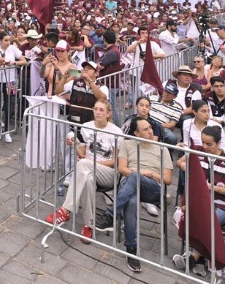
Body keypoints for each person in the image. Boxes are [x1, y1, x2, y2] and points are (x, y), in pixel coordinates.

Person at [95, 116, 173, 273]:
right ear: (137, 133)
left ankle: (111, 215)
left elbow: (168, 179)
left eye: (150, 128)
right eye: (146, 129)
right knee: (131, 202)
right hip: (130, 184)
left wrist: (149, 174)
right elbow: (122, 168)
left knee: (135, 177)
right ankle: (132, 250)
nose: (151, 131)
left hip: (152, 187)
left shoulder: (162, 149)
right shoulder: (127, 144)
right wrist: (136, 173)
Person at [45, 100, 122, 242]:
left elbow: (116, 162)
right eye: (95, 109)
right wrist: (75, 144)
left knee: (84, 165)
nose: (97, 112)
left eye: (101, 110)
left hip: (108, 172)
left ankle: (65, 210)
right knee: (87, 179)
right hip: (87, 170)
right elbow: (82, 153)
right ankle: (89, 225)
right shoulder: (86, 127)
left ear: (108, 113)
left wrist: (91, 162)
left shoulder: (116, 132)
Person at [174, 125, 225, 277]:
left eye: (209, 144)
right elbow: (179, 162)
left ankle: (193, 257)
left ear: (218, 143)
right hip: (198, 203)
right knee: (195, 216)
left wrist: (212, 188)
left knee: (208, 219)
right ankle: (201, 258)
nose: (204, 147)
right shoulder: (196, 151)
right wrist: (185, 166)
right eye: (203, 142)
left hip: (221, 205)